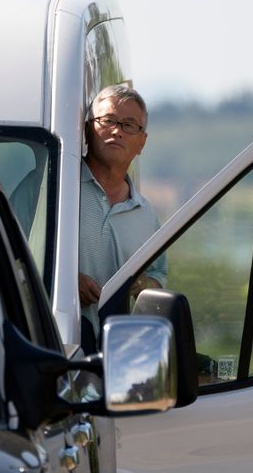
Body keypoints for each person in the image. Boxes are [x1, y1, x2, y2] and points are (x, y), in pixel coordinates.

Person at [79, 84, 167, 338]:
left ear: (142, 142)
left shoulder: (146, 215)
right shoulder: (51, 187)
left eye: (129, 125)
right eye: (108, 120)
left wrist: (145, 285)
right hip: (52, 343)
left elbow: (158, 275)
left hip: (118, 350)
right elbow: (13, 254)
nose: (117, 131)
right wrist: (64, 282)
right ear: (87, 130)